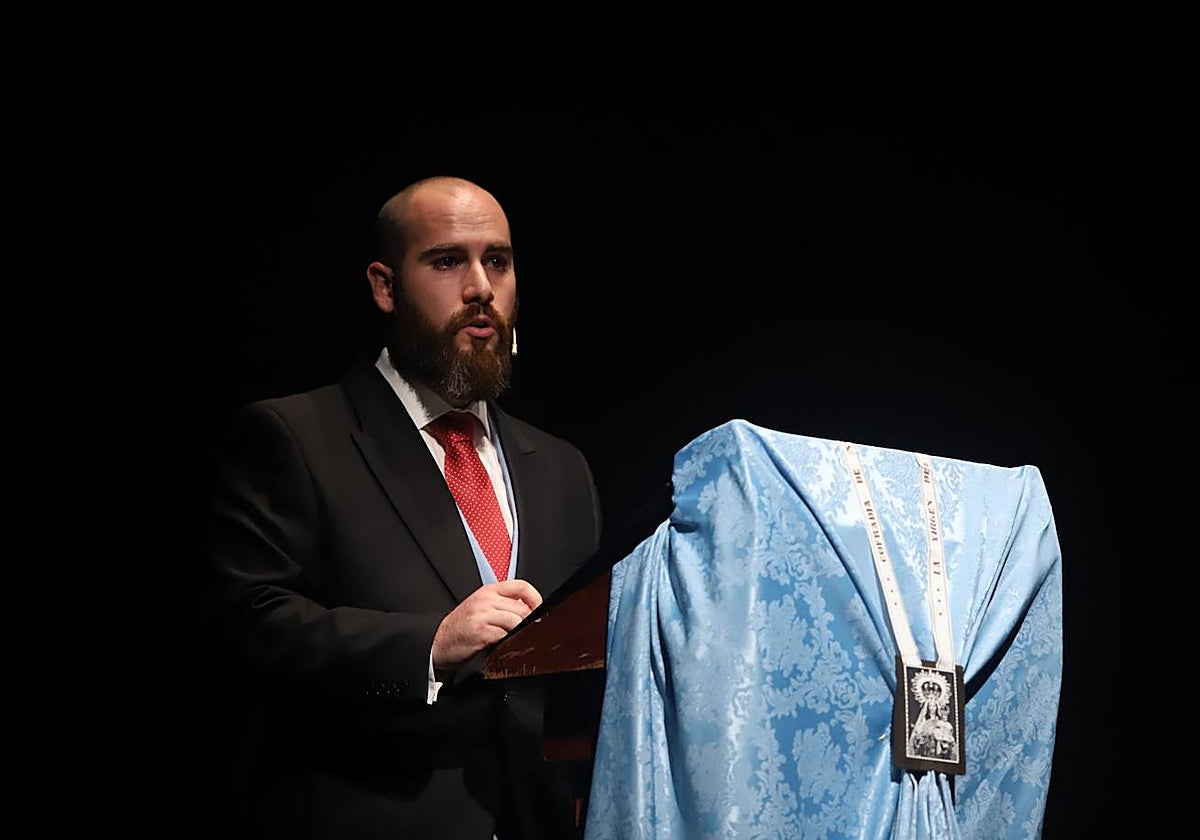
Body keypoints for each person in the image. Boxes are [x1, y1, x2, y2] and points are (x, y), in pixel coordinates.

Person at [203, 175, 603, 839]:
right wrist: (430, 646)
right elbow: (253, 626)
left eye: (497, 262)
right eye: (447, 261)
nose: (480, 287)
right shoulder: (297, 436)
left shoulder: (562, 467)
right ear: (385, 286)